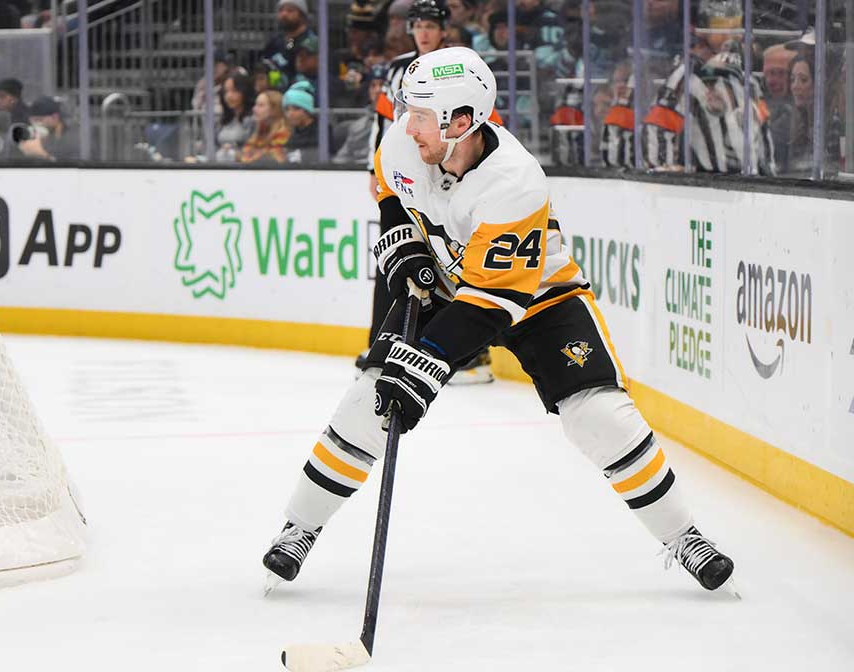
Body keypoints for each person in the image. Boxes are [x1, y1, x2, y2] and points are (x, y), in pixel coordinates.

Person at [260, 47, 737, 597]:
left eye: (418, 113)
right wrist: (404, 245)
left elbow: (492, 304)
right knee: (369, 400)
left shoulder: (515, 182)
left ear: (461, 121)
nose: (404, 122)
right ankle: (301, 526)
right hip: (448, 285)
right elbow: (389, 189)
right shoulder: (405, 139)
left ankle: (684, 535)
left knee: (600, 415)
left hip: (537, 299)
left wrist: (425, 364)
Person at [365, 0, 494, 385]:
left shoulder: (462, 66)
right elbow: (383, 122)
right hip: (411, 170)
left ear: (442, 30)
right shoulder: (397, 69)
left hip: (451, 174)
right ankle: (386, 342)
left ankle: (472, 353)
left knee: (454, 255)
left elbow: (480, 126)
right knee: (398, 252)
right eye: (417, 24)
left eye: (430, 24)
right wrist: (376, 168)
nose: (423, 31)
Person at [642, 0, 775, 175]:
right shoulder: (687, 75)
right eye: (721, 28)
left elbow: (763, 133)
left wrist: (769, 177)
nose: (731, 36)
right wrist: (663, 176)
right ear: (700, 31)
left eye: (736, 27)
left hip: (751, 190)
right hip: (708, 191)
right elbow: (658, 128)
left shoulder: (748, 79)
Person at [260, 0, 317, 91]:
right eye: (281, 10)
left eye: (290, 10)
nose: (284, 14)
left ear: (302, 15)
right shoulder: (274, 42)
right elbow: (270, 68)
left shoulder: (313, 42)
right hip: (277, 97)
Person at [17, 96, 80, 161]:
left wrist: (44, 155)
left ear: (55, 117)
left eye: (39, 120)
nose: (35, 125)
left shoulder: (74, 137)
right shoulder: (40, 136)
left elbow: (74, 167)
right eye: (32, 121)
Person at [240, 90, 291, 164]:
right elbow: (245, 155)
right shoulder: (259, 130)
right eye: (255, 104)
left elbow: (274, 160)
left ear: (275, 109)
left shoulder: (284, 133)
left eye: (261, 105)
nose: (254, 109)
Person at [216, 71, 257, 163]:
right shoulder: (223, 120)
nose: (229, 96)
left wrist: (236, 153)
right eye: (226, 91)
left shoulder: (253, 120)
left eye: (234, 91)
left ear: (244, 91)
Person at [283, 82, 328, 163]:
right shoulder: (292, 136)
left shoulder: (323, 133)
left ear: (307, 110)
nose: (290, 114)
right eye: (287, 109)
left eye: (296, 109)